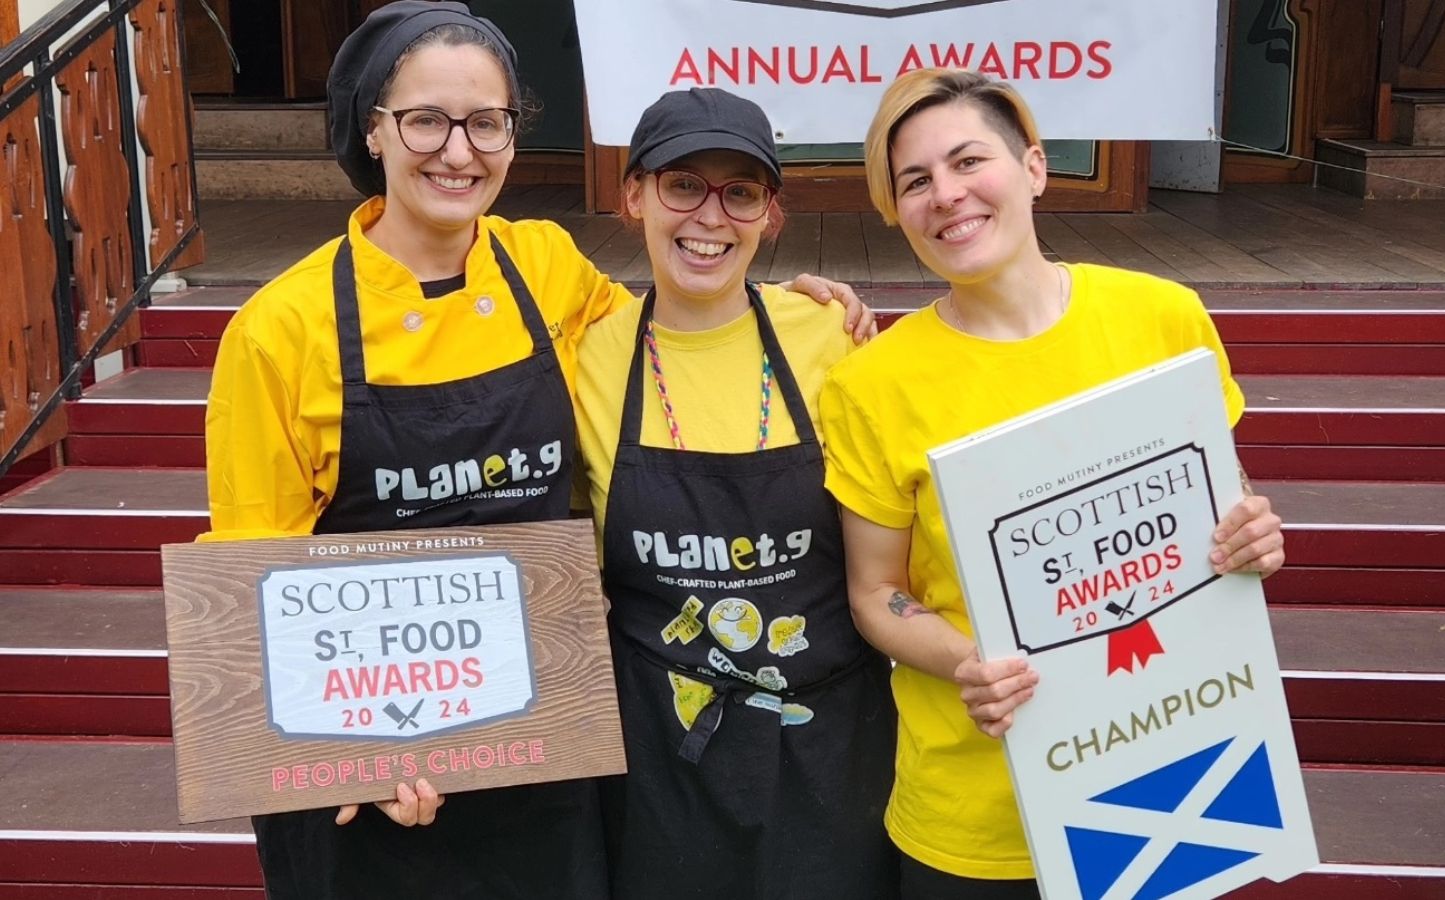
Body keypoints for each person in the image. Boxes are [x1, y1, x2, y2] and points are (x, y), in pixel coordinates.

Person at [200, 3, 870, 897]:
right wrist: (353, 755)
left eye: (487, 122)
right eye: (426, 119)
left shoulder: (546, 268)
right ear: (374, 129)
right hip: (368, 766)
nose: (459, 150)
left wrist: (787, 301)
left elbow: (684, 310)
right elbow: (253, 580)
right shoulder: (279, 330)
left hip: (535, 738)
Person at [818, 69, 1286, 900]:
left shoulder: (1162, 318)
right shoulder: (871, 385)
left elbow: (1223, 492)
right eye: (915, 181)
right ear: (896, 212)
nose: (947, 195)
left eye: (969, 161)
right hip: (976, 812)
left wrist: (1249, 533)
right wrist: (969, 663)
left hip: (1176, 777)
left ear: (1033, 166)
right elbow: (874, 592)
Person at [572, 88, 899, 900]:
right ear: (634, 195)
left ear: (770, 216)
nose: (709, 217)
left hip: (829, 749)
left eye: (740, 193)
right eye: (683, 184)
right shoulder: (583, 352)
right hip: (660, 756)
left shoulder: (828, 333)